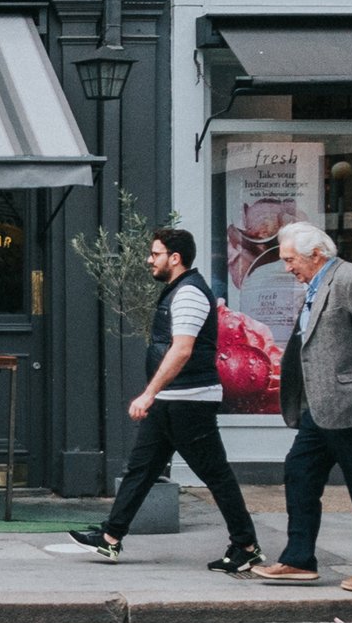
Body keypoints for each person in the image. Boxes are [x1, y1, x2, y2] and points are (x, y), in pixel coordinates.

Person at [68, 228, 261, 572]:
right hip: (173, 400)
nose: (149, 260)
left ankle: (246, 545)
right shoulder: (180, 291)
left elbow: (182, 349)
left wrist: (148, 393)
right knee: (142, 469)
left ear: (175, 258)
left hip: (188, 400)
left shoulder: (187, 294)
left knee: (215, 474)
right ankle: (111, 538)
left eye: (155, 254)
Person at [253, 223, 352, 591]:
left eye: (291, 260)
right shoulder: (317, 284)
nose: (288, 268)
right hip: (319, 407)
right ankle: (298, 559)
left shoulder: (351, 280)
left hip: (351, 404)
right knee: (299, 474)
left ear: (316, 255)